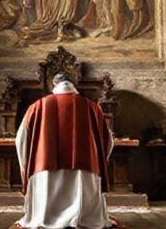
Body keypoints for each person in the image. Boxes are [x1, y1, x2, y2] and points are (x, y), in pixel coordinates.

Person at [15, 73, 114, 229]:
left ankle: (46, 218)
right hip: (86, 165)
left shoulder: (38, 106)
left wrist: (26, 165)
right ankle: (83, 219)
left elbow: (21, 140)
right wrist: (100, 160)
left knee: (47, 197)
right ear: (73, 85)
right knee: (83, 193)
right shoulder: (91, 107)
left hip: (44, 165)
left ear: (54, 85)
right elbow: (108, 141)